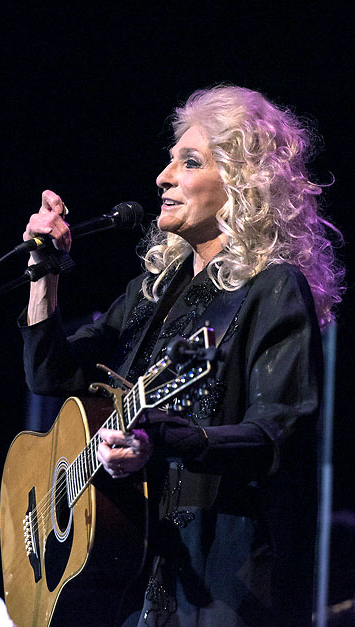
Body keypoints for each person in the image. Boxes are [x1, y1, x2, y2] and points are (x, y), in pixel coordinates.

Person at [19, 85, 344, 626]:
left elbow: (276, 434)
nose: (163, 177)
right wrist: (43, 272)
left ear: (242, 183)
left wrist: (167, 439)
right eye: (170, 160)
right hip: (142, 570)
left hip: (224, 575)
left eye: (189, 162)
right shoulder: (153, 291)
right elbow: (51, 373)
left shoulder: (273, 287)